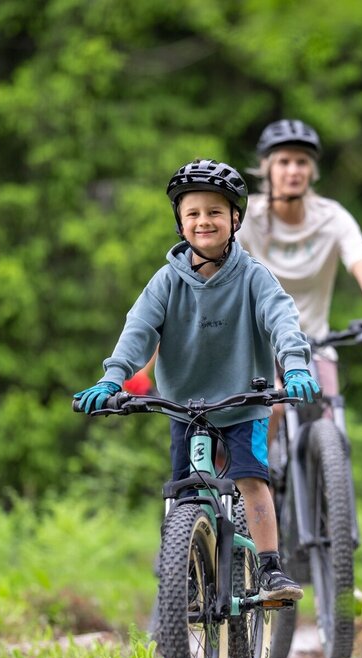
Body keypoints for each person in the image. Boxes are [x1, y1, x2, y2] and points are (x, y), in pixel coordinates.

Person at [73, 158, 320, 601]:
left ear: (235, 219)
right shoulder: (167, 282)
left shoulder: (254, 277)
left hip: (245, 401)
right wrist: (113, 378)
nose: (203, 221)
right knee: (183, 490)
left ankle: (270, 568)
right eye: (193, 213)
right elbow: (138, 330)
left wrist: (296, 365)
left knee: (251, 479)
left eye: (214, 212)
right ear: (180, 223)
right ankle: (183, 571)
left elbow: (282, 319)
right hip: (185, 405)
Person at [237, 119, 362, 402]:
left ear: (312, 170)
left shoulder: (332, 218)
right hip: (258, 345)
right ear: (267, 167)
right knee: (272, 410)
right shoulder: (247, 218)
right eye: (283, 162)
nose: (293, 171)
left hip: (315, 344)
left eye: (302, 162)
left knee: (330, 415)